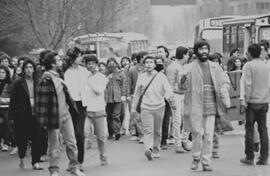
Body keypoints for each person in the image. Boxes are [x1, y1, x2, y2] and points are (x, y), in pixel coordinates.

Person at [36, 52, 85, 176]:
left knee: (72, 143)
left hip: (66, 114)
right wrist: (43, 122)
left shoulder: (59, 75)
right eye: (58, 60)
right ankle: (54, 170)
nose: (61, 62)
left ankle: (74, 167)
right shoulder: (46, 79)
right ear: (52, 64)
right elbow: (41, 102)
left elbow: (70, 60)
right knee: (54, 146)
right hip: (53, 117)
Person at [184, 41, 229, 171]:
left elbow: (224, 83)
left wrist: (225, 93)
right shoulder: (190, 68)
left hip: (212, 107)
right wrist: (182, 80)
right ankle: (196, 157)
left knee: (209, 136)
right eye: (201, 49)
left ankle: (206, 161)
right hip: (195, 107)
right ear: (196, 51)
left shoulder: (216, 67)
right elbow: (181, 87)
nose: (204, 51)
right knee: (197, 134)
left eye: (206, 49)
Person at [131, 56, 176, 161]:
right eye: (146, 62)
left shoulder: (161, 77)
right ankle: (148, 148)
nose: (149, 64)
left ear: (155, 65)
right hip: (145, 107)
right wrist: (133, 108)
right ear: (144, 64)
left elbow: (168, 91)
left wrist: (172, 103)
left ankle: (156, 149)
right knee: (148, 130)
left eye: (151, 62)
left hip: (160, 106)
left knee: (157, 130)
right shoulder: (141, 77)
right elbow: (137, 93)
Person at [9, 59, 43, 170]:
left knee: (36, 139)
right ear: (23, 70)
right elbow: (13, 101)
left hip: (36, 115)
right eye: (26, 67)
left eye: (30, 67)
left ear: (34, 69)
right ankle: (22, 157)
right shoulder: (18, 83)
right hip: (22, 116)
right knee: (22, 139)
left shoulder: (38, 81)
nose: (29, 70)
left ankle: (35, 162)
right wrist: (11, 117)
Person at [240, 43, 269, 165]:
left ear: (250, 53)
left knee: (250, 130)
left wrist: (244, 100)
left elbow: (247, 84)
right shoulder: (266, 66)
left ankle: (249, 157)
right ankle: (263, 157)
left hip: (251, 102)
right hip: (264, 101)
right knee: (263, 130)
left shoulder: (248, 66)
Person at [64, 47, 90, 170]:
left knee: (79, 133)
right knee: (70, 135)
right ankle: (72, 162)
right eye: (79, 56)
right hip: (69, 105)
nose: (81, 58)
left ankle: (80, 161)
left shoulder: (85, 71)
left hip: (81, 105)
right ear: (73, 58)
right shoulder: (65, 72)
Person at [84, 54, 109, 166]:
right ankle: (80, 161)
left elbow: (99, 90)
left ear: (97, 65)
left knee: (101, 136)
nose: (90, 66)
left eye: (92, 64)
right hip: (86, 111)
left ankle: (103, 157)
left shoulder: (101, 77)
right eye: (88, 64)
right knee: (84, 135)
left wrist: (90, 80)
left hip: (98, 110)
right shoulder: (84, 76)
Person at [167, 46, 192, 153]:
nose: (188, 56)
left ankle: (184, 140)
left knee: (187, 117)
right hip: (175, 95)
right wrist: (171, 98)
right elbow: (169, 84)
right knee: (177, 120)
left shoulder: (184, 66)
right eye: (187, 54)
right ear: (183, 54)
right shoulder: (172, 67)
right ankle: (177, 143)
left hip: (185, 94)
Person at [105, 57, 126, 140]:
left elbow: (123, 85)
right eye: (109, 63)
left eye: (113, 63)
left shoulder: (120, 73)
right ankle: (110, 133)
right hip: (107, 98)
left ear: (116, 64)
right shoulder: (105, 74)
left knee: (116, 115)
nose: (111, 65)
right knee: (109, 116)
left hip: (118, 98)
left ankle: (117, 132)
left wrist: (123, 95)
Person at [0, 65, 12, 152]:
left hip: (6, 108)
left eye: (3, 72)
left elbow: (13, 97)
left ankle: (7, 143)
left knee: (8, 126)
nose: (1, 74)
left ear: (7, 73)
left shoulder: (10, 84)